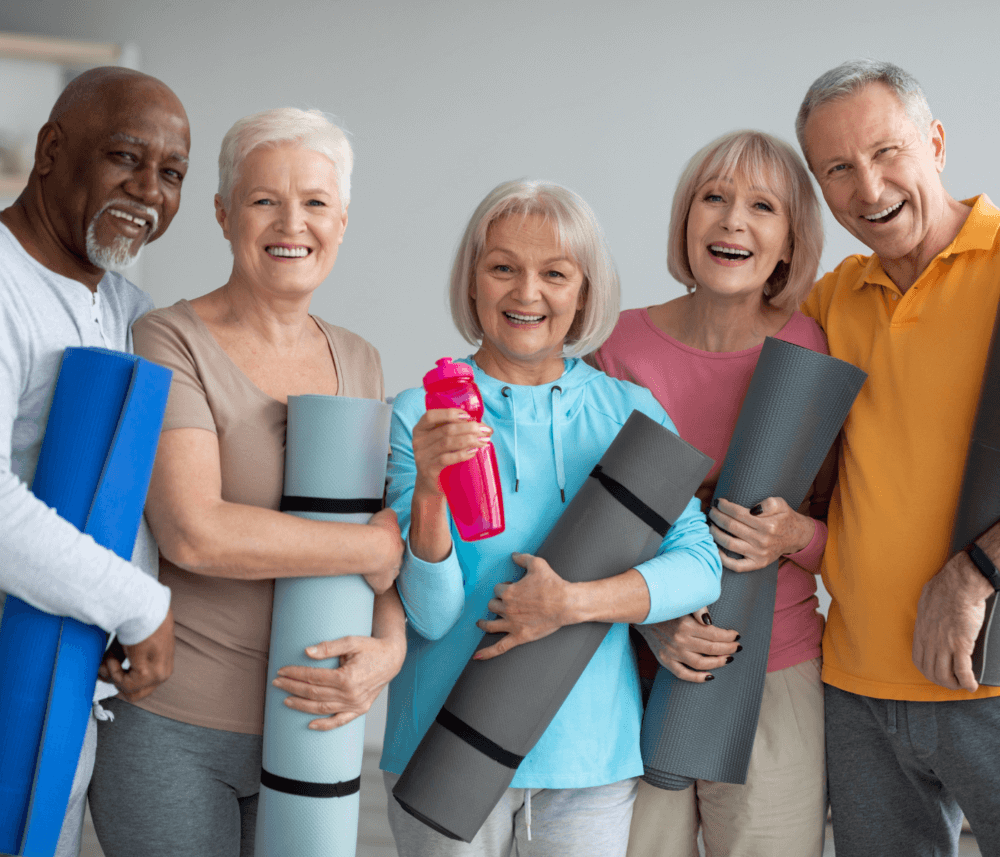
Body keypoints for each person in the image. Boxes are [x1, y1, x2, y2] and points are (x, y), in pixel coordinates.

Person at [87, 108, 407, 857]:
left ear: (343, 220)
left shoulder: (359, 358)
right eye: (265, 199)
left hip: (313, 728)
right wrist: (364, 546)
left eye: (316, 202)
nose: (291, 222)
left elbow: (387, 547)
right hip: (174, 725)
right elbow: (196, 529)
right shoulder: (169, 339)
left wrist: (387, 651)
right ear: (225, 214)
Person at [380, 179, 723, 857]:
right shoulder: (420, 411)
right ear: (472, 281)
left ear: (584, 291)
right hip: (441, 741)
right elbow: (430, 614)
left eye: (554, 273)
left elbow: (700, 565)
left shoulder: (630, 411)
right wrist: (427, 488)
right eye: (502, 267)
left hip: (587, 751)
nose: (526, 293)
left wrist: (573, 602)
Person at [595, 130, 830, 857]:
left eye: (762, 205)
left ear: (790, 240)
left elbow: (839, 527)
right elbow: (588, 528)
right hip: (634, 668)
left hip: (776, 669)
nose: (733, 220)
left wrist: (794, 536)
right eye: (714, 198)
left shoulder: (815, 349)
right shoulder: (617, 346)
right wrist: (650, 623)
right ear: (686, 220)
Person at [796, 60, 1000, 855]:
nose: (868, 188)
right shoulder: (830, 298)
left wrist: (976, 569)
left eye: (886, 153)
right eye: (837, 170)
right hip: (855, 688)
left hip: (992, 681)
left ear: (937, 143)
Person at [0, 67, 187, 857]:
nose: (148, 190)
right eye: (125, 157)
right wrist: (139, 604)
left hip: (66, 680)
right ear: (51, 151)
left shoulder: (124, 309)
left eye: (171, 173)